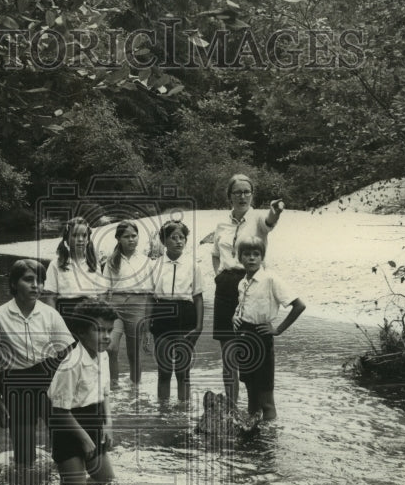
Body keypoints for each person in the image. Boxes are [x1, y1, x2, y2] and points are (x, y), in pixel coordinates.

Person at [0, 259, 75, 485]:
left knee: (63, 441)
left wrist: (66, 388)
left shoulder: (50, 314)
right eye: (29, 280)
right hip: (15, 383)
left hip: (48, 380)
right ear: (14, 284)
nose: (36, 286)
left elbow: (69, 351)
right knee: (23, 455)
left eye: (40, 281)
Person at [211, 174, 286, 406]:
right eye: (237, 192)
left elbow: (270, 223)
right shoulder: (221, 224)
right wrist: (219, 275)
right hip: (225, 286)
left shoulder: (258, 219)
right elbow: (215, 254)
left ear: (252, 195)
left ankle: (256, 404)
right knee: (228, 353)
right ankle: (232, 406)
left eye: (247, 192)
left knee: (251, 348)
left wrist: (277, 211)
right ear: (229, 196)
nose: (242, 196)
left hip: (251, 283)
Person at [47, 299, 118, 485]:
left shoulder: (103, 355)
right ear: (81, 331)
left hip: (93, 421)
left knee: (107, 482)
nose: (106, 337)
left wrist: (108, 424)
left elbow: (105, 393)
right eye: (99, 330)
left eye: (109, 331)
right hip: (69, 429)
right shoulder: (72, 363)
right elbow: (59, 411)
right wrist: (85, 439)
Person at [231, 236, 305, 421]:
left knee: (266, 400)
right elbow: (244, 305)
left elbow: (299, 305)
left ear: (262, 257)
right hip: (244, 337)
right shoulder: (242, 282)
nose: (252, 258)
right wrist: (235, 317)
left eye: (256, 254)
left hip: (262, 337)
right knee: (251, 397)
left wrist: (278, 330)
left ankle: (270, 441)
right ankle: (253, 438)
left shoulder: (270, 279)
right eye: (246, 254)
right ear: (240, 258)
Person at [147, 219, 203, 403]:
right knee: (164, 370)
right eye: (174, 237)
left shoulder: (193, 265)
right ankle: (163, 413)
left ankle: (182, 412)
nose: (179, 241)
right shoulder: (155, 265)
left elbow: (197, 297)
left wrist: (199, 326)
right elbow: (149, 298)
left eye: (182, 237)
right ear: (164, 241)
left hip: (185, 315)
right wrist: (147, 327)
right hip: (161, 314)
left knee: (182, 370)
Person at [102, 220, 154, 388]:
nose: (131, 239)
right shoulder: (111, 260)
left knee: (134, 353)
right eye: (126, 236)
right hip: (115, 306)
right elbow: (104, 290)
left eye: (134, 236)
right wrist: (102, 316)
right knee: (111, 347)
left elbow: (150, 294)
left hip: (137, 306)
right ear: (118, 238)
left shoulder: (146, 261)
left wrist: (147, 322)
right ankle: (113, 386)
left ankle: (135, 387)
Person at [43, 216, 107, 331]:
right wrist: (54, 322)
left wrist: (99, 319)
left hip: (90, 315)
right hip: (66, 316)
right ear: (67, 238)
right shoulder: (56, 264)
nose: (80, 239)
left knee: (88, 348)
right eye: (75, 235)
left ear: (88, 238)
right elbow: (50, 298)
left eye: (84, 235)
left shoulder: (94, 264)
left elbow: (101, 295)